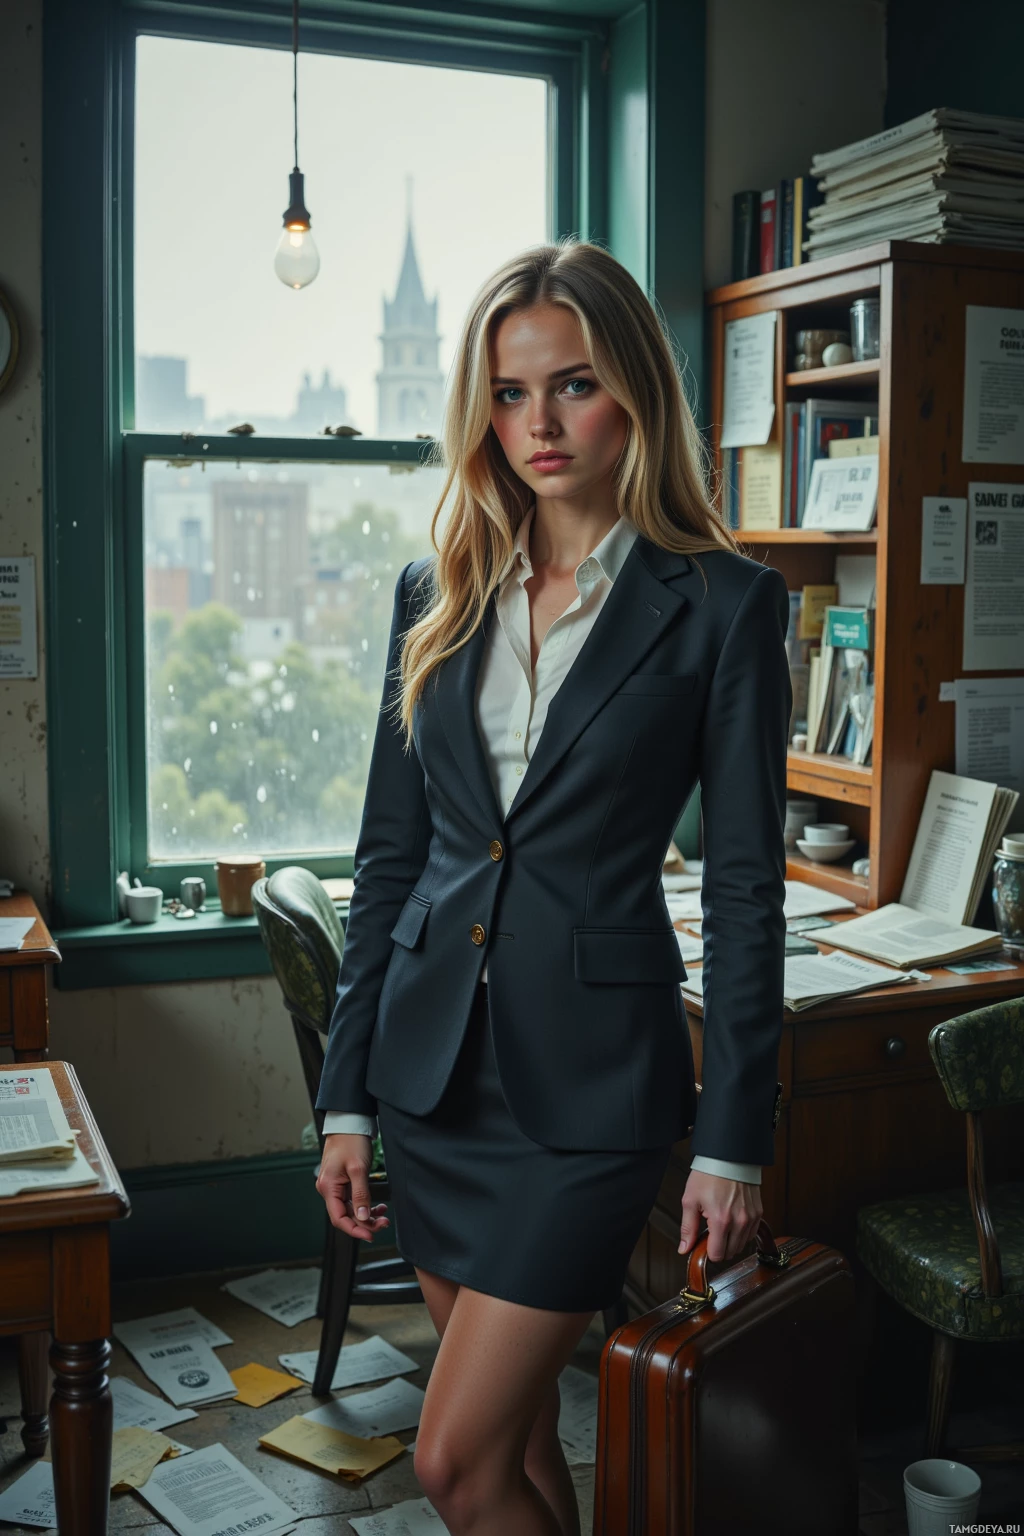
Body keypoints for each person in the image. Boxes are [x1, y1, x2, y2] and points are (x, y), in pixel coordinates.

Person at [313, 239, 791, 1536]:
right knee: (516, 1455)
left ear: (633, 391)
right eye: (511, 393)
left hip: (590, 1095)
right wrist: (345, 1100)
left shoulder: (725, 605)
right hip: (431, 1079)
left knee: (451, 1465)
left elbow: (747, 891)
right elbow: (389, 861)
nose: (540, 424)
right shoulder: (437, 590)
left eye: (573, 385)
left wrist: (734, 1140)